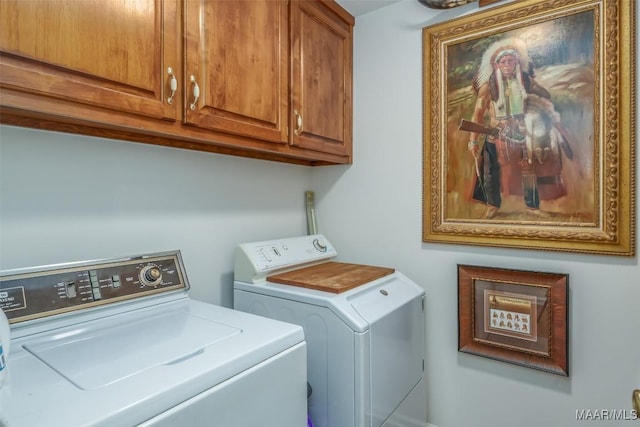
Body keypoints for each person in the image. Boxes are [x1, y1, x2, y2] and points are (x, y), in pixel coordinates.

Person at [466, 38, 569, 219]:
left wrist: (539, 95)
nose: (507, 65)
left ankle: (532, 207)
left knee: (528, 169)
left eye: (511, 61)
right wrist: (472, 140)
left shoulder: (525, 81)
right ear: (496, 64)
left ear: (517, 62)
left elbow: (544, 94)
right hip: (496, 133)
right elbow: (477, 115)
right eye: (503, 62)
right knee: (491, 172)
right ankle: (492, 206)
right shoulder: (487, 87)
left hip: (522, 132)